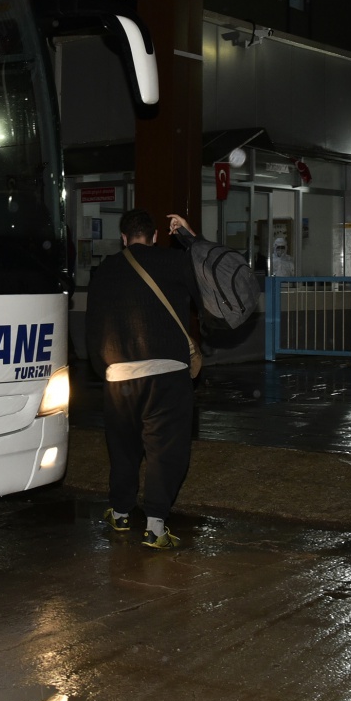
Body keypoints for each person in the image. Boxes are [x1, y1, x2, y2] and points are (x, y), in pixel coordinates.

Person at [86, 209, 203, 549]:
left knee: (123, 448)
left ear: (123, 239)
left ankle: (120, 513)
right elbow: (207, 282)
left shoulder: (105, 271)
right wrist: (190, 237)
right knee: (165, 448)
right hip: (168, 372)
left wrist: (103, 368)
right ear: (154, 237)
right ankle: (155, 526)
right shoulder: (173, 261)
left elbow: (92, 326)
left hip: (119, 375)